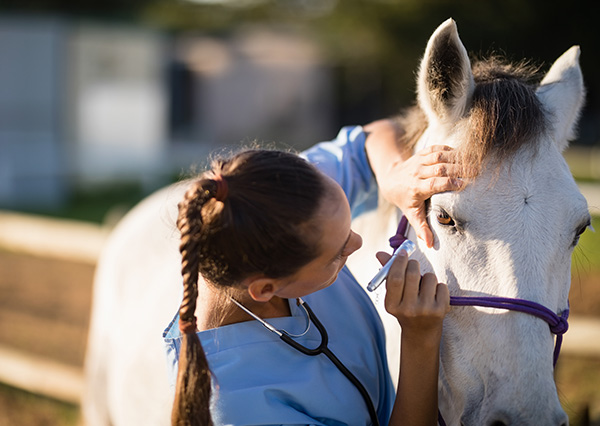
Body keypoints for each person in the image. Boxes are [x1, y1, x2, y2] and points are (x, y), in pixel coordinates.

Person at [163, 120, 461, 426]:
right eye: (336, 254)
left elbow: (375, 136)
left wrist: (394, 174)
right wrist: (420, 339)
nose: (357, 243)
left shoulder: (285, 198)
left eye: (350, 229)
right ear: (266, 289)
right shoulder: (238, 407)